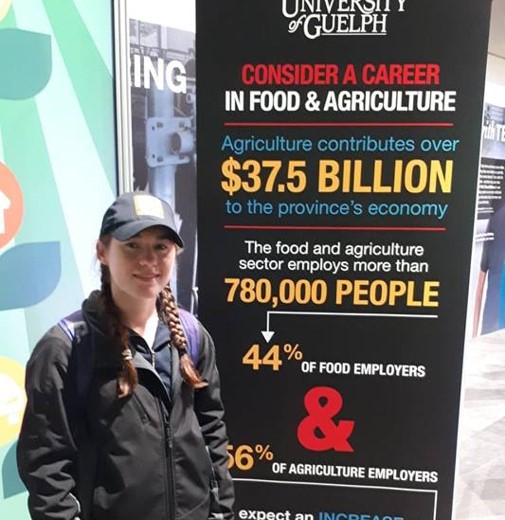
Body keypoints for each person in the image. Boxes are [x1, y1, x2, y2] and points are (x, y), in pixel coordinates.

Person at [16, 191, 235, 520]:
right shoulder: (65, 349)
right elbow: (47, 468)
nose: (149, 260)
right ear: (102, 252)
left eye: (161, 246)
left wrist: (220, 515)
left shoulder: (190, 336)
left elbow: (212, 435)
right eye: (132, 245)